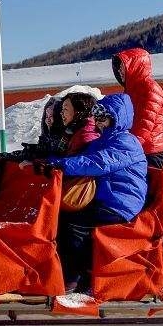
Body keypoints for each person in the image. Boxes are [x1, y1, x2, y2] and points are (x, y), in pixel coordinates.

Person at [34, 93, 147, 292]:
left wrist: (58, 165)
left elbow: (96, 162)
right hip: (105, 197)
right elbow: (80, 156)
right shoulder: (103, 140)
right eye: (98, 119)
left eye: (104, 119)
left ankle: (77, 276)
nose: (99, 124)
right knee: (62, 217)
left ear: (117, 118)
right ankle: (62, 269)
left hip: (120, 202)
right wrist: (47, 161)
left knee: (74, 224)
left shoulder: (126, 142)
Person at [112, 48, 163, 168]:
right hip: (137, 148)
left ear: (135, 66)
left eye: (123, 66)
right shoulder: (131, 90)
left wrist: (126, 148)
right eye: (119, 67)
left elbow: (144, 125)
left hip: (150, 151)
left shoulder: (150, 89)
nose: (120, 71)